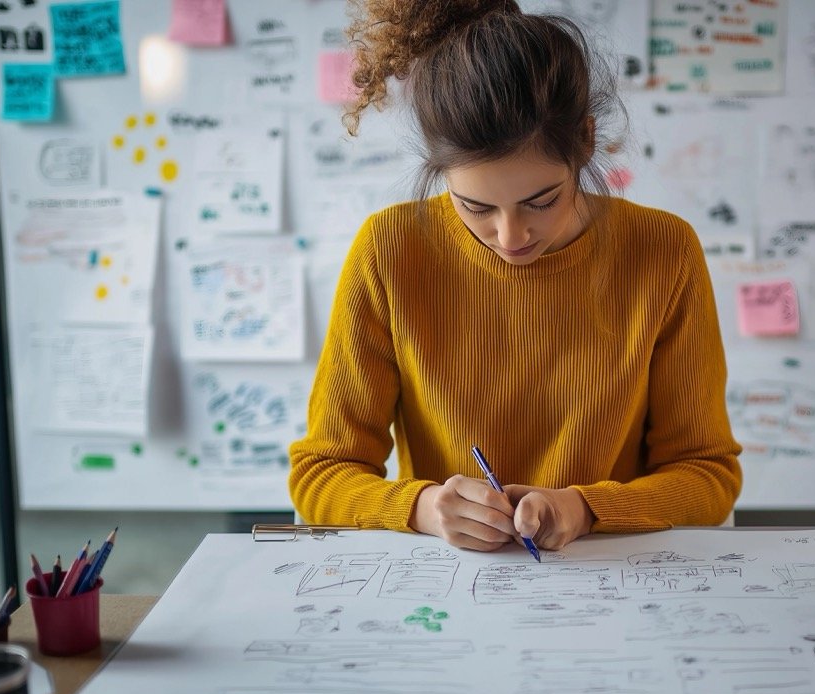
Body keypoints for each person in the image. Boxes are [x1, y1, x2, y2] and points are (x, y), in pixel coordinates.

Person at [288, 0, 741, 553]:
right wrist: (424, 508)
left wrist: (588, 508)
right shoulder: (390, 251)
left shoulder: (662, 251)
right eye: (475, 207)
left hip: (617, 589)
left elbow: (707, 475)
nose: (511, 237)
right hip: (447, 595)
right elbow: (321, 474)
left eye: (541, 201)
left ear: (586, 141)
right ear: (440, 171)